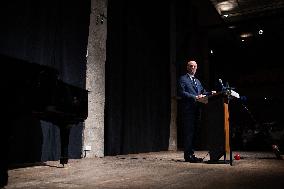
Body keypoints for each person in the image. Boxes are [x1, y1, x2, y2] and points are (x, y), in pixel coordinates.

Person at [178, 59, 215, 163]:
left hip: (197, 110)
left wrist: (210, 93)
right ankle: (187, 155)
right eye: (191, 66)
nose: (193, 68)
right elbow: (182, 92)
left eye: (194, 66)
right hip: (188, 111)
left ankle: (192, 154)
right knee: (189, 133)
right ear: (187, 67)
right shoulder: (182, 79)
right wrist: (195, 97)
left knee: (194, 134)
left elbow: (203, 92)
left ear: (196, 68)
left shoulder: (197, 81)